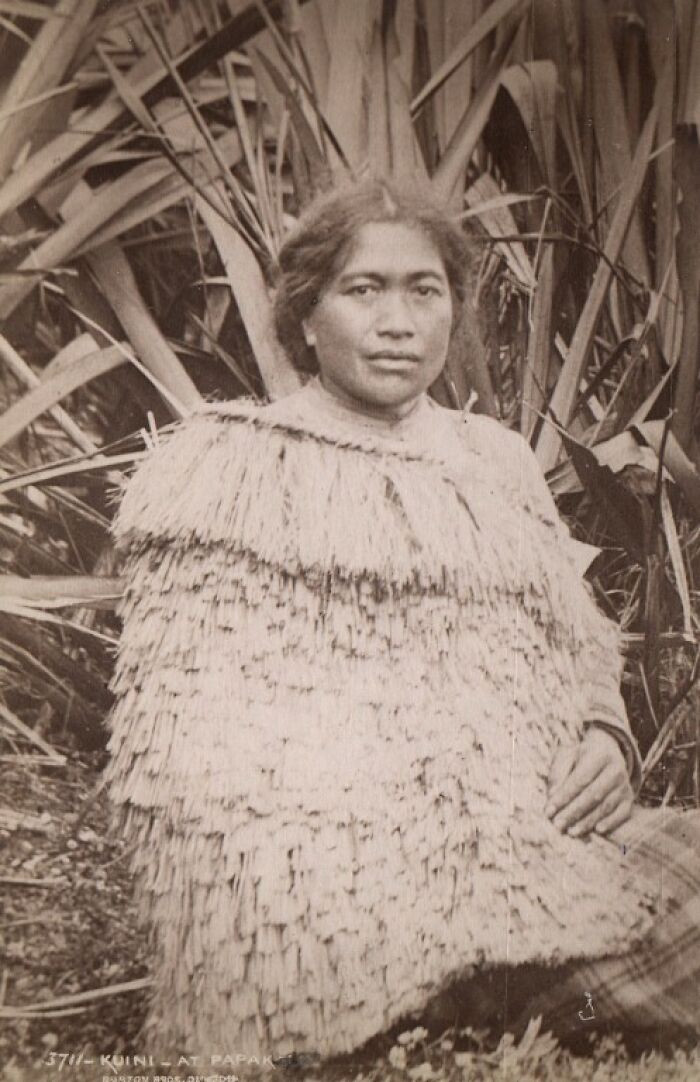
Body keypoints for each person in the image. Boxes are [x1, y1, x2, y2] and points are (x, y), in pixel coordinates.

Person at [107, 179, 700, 1067]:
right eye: (363, 289)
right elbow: (190, 747)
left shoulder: (492, 458)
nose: (399, 321)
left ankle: (498, 975)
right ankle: (448, 987)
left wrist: (605, 735)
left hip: (540, 839)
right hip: (338, 873)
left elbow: (572, 640)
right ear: (304, 317)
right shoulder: (231, 475)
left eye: (425, 290)